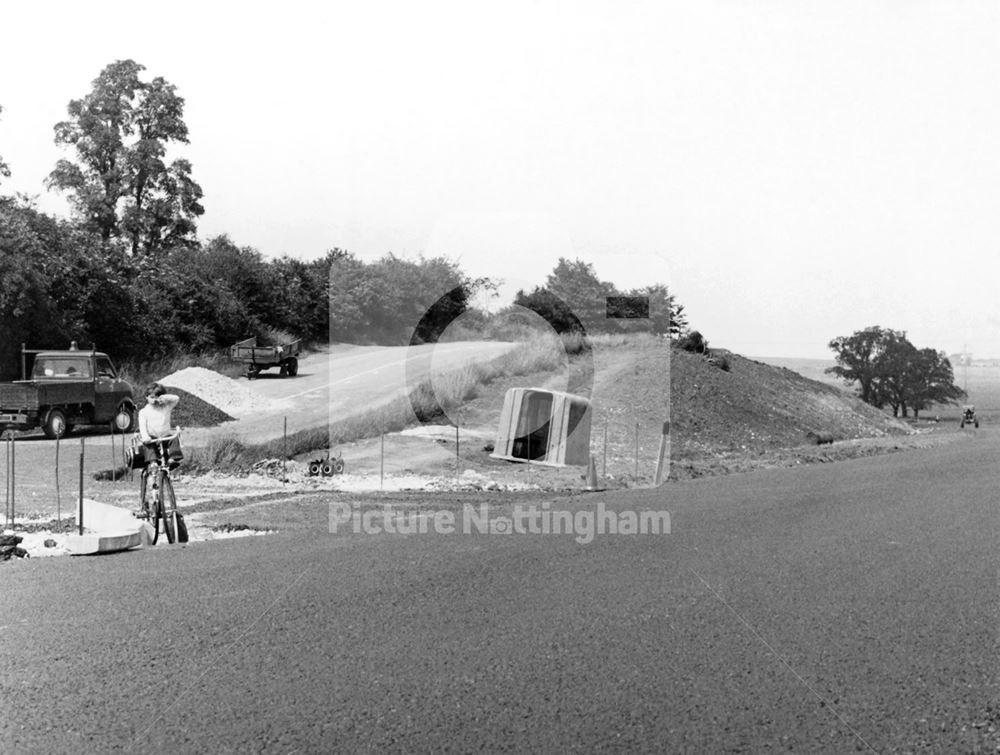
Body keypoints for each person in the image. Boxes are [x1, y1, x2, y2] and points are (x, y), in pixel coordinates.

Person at [137, 383, 182, 467]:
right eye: (152, 397)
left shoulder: (166, 407)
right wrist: (145, 437)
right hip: (152, 438)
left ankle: (172, 459)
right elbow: (142, 427)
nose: (155, 400)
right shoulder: (144, 412)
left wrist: (165, 398)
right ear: (146, 397)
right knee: (147, 444)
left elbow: (176, 398)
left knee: (174, 438)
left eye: (158, 397)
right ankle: (153, 462)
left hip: (165, 437)